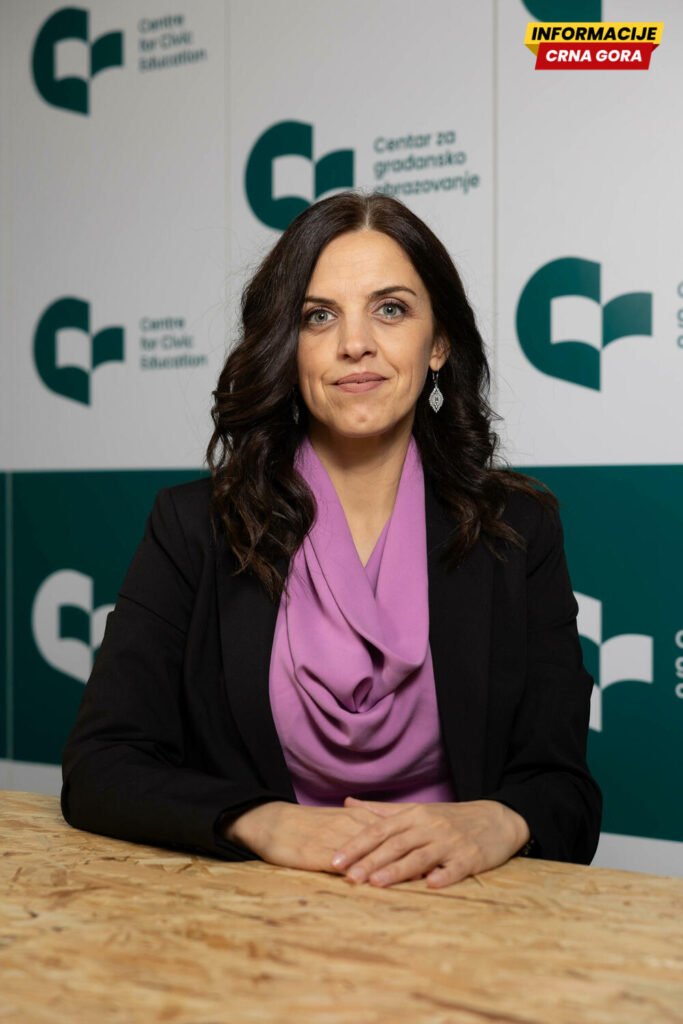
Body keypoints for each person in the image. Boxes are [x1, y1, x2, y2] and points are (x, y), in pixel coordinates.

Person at [61, 190, 602, 890]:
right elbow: (101, 765)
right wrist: (260, 822)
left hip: (463, 913)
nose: (355, 343)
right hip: (254, 914)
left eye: (390, 309)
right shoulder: (194, 526)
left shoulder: (517, 529)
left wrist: (498, 822)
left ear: (439, 343)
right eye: (319, 316)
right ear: (288, 349)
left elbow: (564, 789)